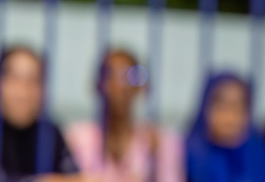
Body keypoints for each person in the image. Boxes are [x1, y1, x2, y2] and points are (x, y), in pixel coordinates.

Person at [65, 50, 182, 182]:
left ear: (141, 87)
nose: (119, 85)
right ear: (97, 85)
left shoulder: (161, 143)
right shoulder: (78, 139)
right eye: (110, 75)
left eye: (128, 76)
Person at [0, 46, 78, 181]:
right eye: (16, 79)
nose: (24, 90)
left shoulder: (50, 133)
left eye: (33, 80)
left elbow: (74, 177)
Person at [182, 76, 265, 182]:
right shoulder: (186, 155)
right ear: (205, 108)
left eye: (237, 108)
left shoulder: (259, 154)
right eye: (221, 107)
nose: (229, 117)